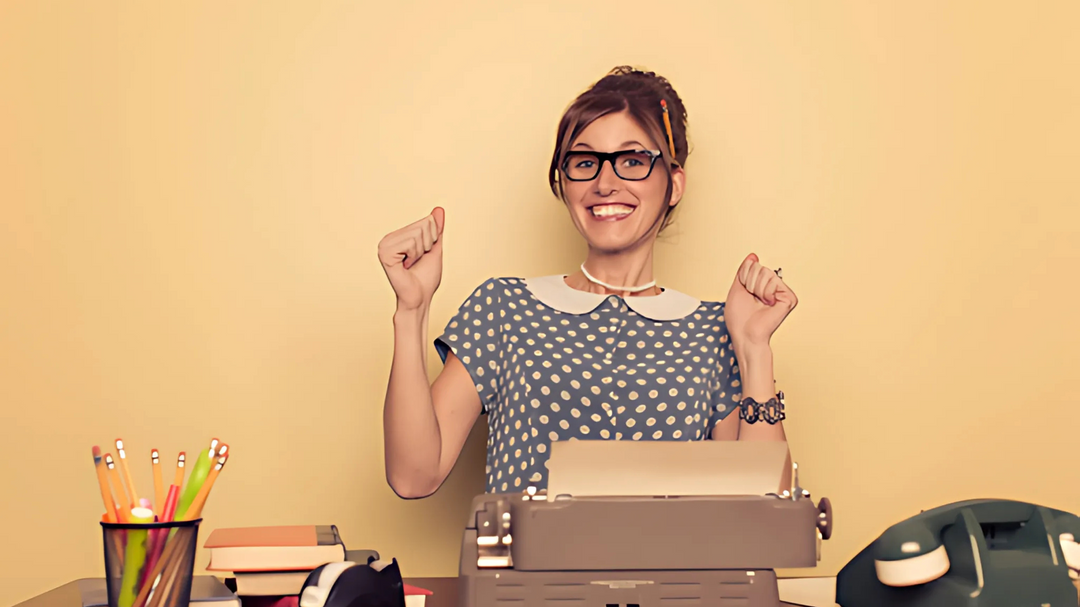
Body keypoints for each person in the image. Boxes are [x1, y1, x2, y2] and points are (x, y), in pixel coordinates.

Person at [378, 66, 798, 498]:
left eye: (632, 161)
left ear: (673, 184)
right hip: (525, 566)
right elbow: (414, 477)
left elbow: (765, 511)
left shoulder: (714, 330)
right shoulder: (503, 309)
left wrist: (753, 351)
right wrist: (411, 311)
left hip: (669, 568)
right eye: (585, 162)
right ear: (564, 180)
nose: (605, 182)